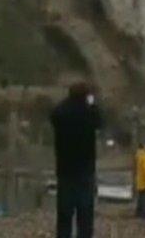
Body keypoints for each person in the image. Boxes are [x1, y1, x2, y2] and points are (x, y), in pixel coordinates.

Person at [50, 82, 102, 238]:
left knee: (65, 212)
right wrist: (92, 103)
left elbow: (53, 116)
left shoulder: (62, 112)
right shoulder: (89, 112)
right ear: (86, 96)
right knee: (85, 213)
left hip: (65, 168)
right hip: (85, 168)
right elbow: (100, 122)